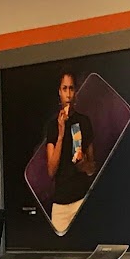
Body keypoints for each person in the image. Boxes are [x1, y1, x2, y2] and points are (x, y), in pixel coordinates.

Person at [41, 71, 96, 234]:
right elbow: (51, 170)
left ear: (76, 92)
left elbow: (92, 168)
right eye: (64, 89)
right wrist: (61, 134)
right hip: (61, 205)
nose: (68, 94)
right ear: (59, 92)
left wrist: (83, 164)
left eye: (71, 89)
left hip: (81, 199)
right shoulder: (52, 126)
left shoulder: (84, 122)